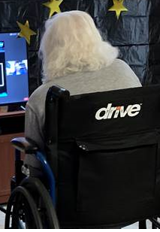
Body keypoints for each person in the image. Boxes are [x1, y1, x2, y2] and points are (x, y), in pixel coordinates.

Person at [25, 11, 142, 171]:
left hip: (73, 186)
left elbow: (34, 163)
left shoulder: (43, 96)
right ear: (95, 38)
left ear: (50, 47)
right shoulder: (123, 70)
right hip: (133, 172)